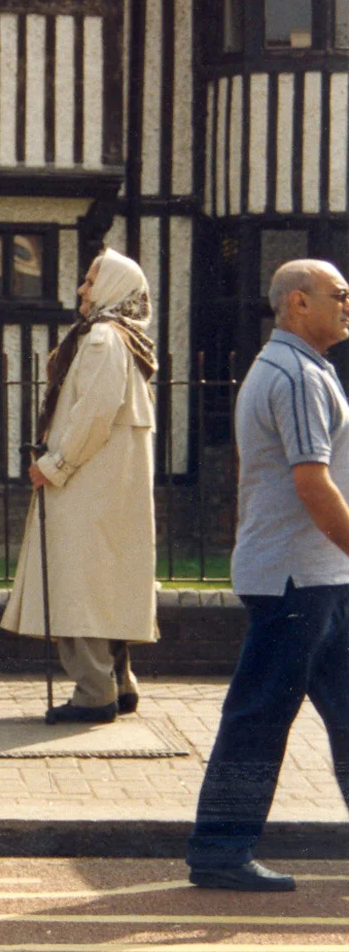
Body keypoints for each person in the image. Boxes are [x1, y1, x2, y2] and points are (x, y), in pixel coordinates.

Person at [186, 258, 349, 892]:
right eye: (337, 294)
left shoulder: (298, 367)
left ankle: (221, 847)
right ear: (297, 303)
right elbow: (314, 484)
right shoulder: (297, 374)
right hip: (295, 579)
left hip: (314, 575)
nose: (347, 303)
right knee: (258, 716)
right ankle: (220, 850)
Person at [0, 247, 159, 724]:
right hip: (108, 483)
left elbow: (93, 411)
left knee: (77, 582)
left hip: (88, 483)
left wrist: (55, 464)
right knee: (103, 581)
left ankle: (94, 693)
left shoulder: (102, 340)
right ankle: (118, 683)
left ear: (111, 286)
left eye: (91, 281)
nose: (81, 289)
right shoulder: (122, 338)